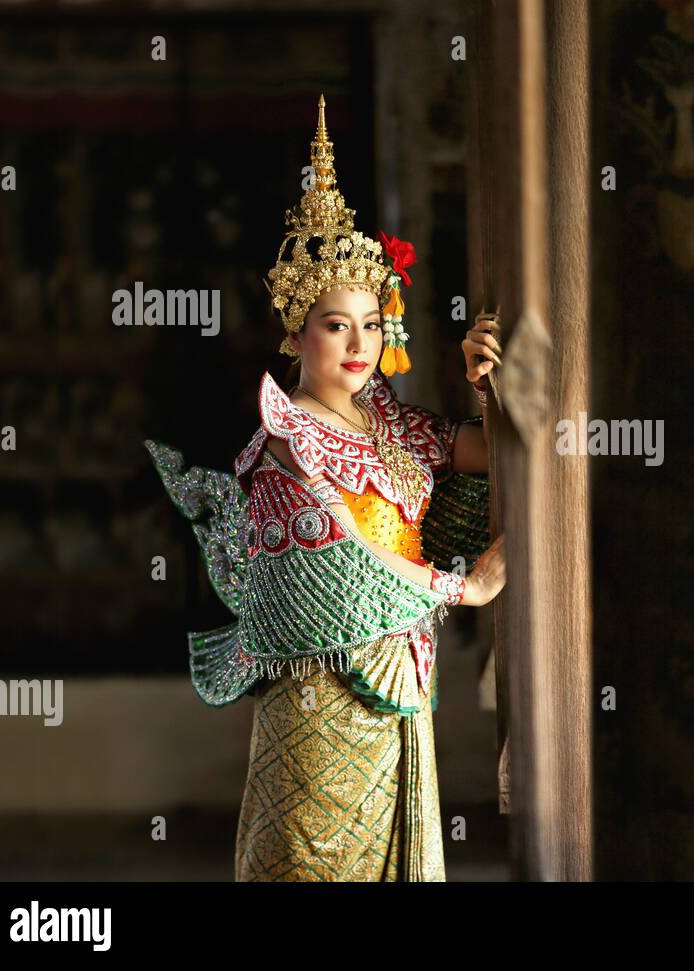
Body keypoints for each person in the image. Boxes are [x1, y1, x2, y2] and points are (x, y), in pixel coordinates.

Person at [144, 95, 506, 881]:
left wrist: (483, 386)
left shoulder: (392, 426)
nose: (359, 343)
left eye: (373, 324)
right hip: (318, 707)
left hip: (399, 699)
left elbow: (488, 456)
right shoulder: (287, 435)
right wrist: (464, 587)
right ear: (296, 330)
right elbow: (340, 564)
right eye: (336, 324)